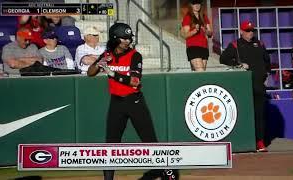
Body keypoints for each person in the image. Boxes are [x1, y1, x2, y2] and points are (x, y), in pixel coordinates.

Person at [87, 23, 179, 180]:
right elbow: (90, 73)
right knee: (111, 144)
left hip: (134, 101)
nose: (127, 41)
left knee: (149, 140)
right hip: (116, 102)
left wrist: (112, 73)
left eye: (129, 38)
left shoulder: (135, 55)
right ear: (115, 38)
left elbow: (135, 82)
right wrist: (99, 63)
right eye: (124, 38)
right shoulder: (107, 54)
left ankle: (169, 175)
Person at [219, 20, 271, 152]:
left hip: (259, 84)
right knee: (244, 114)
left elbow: (267, 61)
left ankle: (260, 141)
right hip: (244, 86)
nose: (250, 33)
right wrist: (238, 64)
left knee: (259, 114)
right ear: (241, 32)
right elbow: (223, 59)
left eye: (252, 30)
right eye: (247, 31)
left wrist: (267, 75)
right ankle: (244, 142)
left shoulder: (259, 43)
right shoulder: (235, 45)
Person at [181, 0, 212, 71]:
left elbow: (210, 33)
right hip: (193, 47)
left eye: (198, 3)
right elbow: (185, 35)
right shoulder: (188, 17)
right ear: (191, 5)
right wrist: (195, 30)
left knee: (200, 74)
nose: (197, 5)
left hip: (204, 47)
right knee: (201, 72)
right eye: (194, 3)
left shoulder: (204, 16)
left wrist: (205, 31)